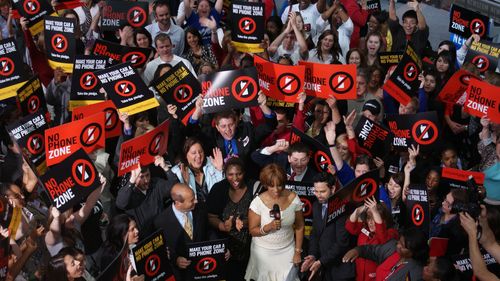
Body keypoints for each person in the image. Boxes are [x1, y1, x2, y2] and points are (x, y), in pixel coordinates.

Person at [245, 163, 304, 281]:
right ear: (265, 184)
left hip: (288, 250)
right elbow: (252, 230)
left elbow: (299, 226)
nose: (276, 190)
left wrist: (297, 252)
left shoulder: (293, 198)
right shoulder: (257, 203)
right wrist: (268, 227)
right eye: (272, 186)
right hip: (263, 253)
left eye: (280, 185)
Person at [207, 157, 255, 281]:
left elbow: (262, 216)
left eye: (239, 174)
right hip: (227, 253)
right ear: (224, 174)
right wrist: (222, 226)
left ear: (244, 172)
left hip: (252, 250)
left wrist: (245, 223)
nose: (235, 179)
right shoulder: (218, 189)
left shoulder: (254, 187)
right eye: (230, 174)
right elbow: (211, 216)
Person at [301, 172, 355, 281]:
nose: (318, 195)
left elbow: (341, 243)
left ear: (333, 188)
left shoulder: (342, 208)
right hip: (324, 270)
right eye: (316, 191)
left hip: (341, 270)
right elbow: (315, 234)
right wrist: (312, 255)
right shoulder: (316, 206)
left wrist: (321, 262)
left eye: (322, 191)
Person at [153, 183, 210, 281]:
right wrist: (175, 259)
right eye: (191, 200)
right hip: (181, 275)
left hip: (204, 269)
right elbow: (162, 250)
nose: (196, 201)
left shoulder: (200, 208)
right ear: (178, 203)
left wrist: (221, 247)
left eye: (194, 198)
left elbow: (208, 231)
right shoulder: (161, 222)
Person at [115, 156, 178, 236]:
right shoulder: (129, 192)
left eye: (147, 175)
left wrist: (165, 168)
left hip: (163, 232)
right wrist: (132, 180)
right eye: (141, 177)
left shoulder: (156, 184)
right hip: (144, 240)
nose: (146, 180)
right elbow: (120, 204)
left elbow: (177, 189)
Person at [343, 228, 429, 281]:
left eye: (402, 246)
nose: (398, 245)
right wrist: (358, 250)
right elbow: (373, 251)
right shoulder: (392, 247)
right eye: (399, 241)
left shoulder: (416, 273)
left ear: (413, 251)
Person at [170, 137, 224, 203]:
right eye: (193, 153)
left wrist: (220, 170)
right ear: (186, 156)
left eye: (200, 151)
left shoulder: (212, 164)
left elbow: (222, 191)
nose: (198, 155)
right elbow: (181, 202)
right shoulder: (178, 172)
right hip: (195, 211)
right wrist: (185, 184)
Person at [251, 141, 318, 183]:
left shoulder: (315, 178)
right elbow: (255, 157)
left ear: (308, 159)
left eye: (303, 160)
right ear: (289, 158)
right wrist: (274, 148)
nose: (299, 164)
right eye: (295, 160)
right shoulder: (281, 162)